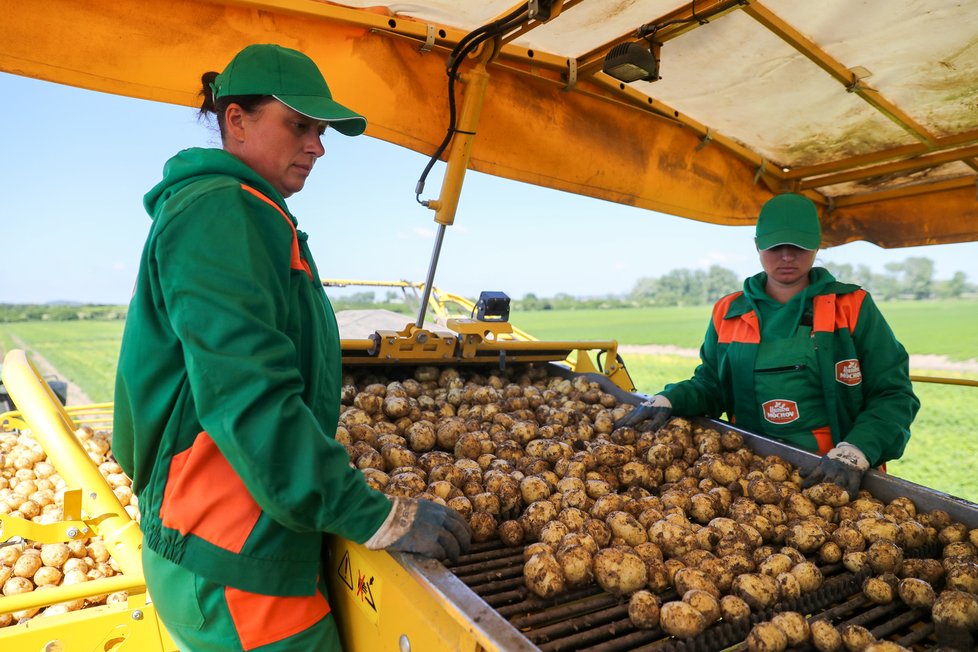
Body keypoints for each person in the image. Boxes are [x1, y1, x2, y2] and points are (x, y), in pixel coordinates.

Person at [113, 44, 470, 651]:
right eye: (299, 126)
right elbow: (249, 395)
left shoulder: (250, 212)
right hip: (234, 560)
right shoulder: (221, 213)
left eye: (321, 131)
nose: (318, 146)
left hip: (238, 544)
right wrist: (371, 513)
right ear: (237, 120)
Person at [617, 193, 919, 499]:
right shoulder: (729, 310)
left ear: (816, 245)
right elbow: (712, 385)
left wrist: (856, 450)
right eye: (776, 247)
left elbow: (893, 393)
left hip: (834, 473)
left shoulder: (851, 307)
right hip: (752, 473)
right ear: (758, 245)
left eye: (798, 246)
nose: (787, 256)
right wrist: (671, 398)